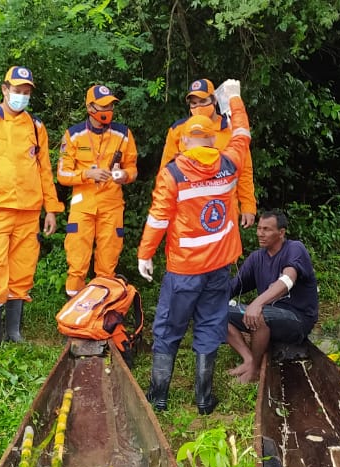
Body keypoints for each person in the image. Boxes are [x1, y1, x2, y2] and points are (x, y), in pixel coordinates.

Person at [138, 79, 251, 415]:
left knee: (169, 326)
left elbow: (158, 219)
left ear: (185, 141)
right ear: (212, 140)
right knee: (209, 324)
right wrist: (235, 101)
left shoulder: (173, 173)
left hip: (184, 268)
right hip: (218, 266)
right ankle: (204, 399)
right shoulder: (229, 164)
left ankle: (159, 396)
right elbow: (243, 134)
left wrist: (145, 254)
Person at [0, 66, 64, 361]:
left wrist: (52, 209)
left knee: (22, 270)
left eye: (26, 91)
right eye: (17, 90)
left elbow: (44, 169)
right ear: (4, 89)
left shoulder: (36, 126)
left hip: (29, 211)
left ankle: (14, 333)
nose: (21, 95)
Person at [56, 84, 139, 297]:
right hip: (82, 207)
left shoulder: (123, 134)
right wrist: (86, 174)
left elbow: (133, 169)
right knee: (77, 264)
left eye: (110, 105)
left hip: (112, 207)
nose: (107, 110)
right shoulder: (73, 135)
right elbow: (62, 175)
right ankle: (73, 321)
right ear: (90, 107)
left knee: (107, 265)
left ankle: (101, 319)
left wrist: (125, 176)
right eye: (102, 105)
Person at [225, 210, 319, 383]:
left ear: (281, 232)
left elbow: (288, 279)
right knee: (215, 313)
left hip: (297, 319)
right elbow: (232, 287)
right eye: (259, 228)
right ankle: (249, 360)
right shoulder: (256, 258)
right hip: (269, 314)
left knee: (259, 315)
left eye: (267, 229)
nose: (260, 233)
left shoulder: (294, 248)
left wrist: (257, 302)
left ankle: (254, 373)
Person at [160, 78, 256, 229]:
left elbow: (244, 170)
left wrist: (248, 205)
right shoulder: (178, 130)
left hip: (223, 207)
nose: (198, 107)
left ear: (214, 101)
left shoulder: (229, 129)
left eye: (203, 101)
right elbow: (165, 172)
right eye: (194, 103)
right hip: (188, 210)